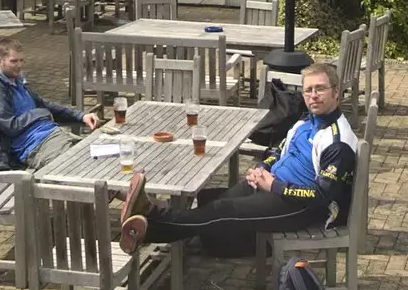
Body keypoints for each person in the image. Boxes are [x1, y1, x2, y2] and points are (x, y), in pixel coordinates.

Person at [117, 62, 357, 254]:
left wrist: (275, 186)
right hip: (271, 184)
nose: (313, 95)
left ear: (336, 93)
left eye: (320, 89)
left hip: (300, 206)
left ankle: (149, 228)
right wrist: (262, 167)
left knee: (222, 210)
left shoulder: (338, 142)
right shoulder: (305, 121)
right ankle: (154, 219)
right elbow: (280, 150)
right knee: (210, 200)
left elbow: (321, 196)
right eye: (308, 90)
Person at [0, 37, 97, 170]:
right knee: (81, 167)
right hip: (33, 146)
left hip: (54, 135)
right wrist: (40, 113)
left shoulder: (17, 81)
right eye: (14, 61)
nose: (19, 65)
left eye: (21, 60)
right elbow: (10, 126)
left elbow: (45, 104)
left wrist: (80, 116)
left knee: (98, 156)